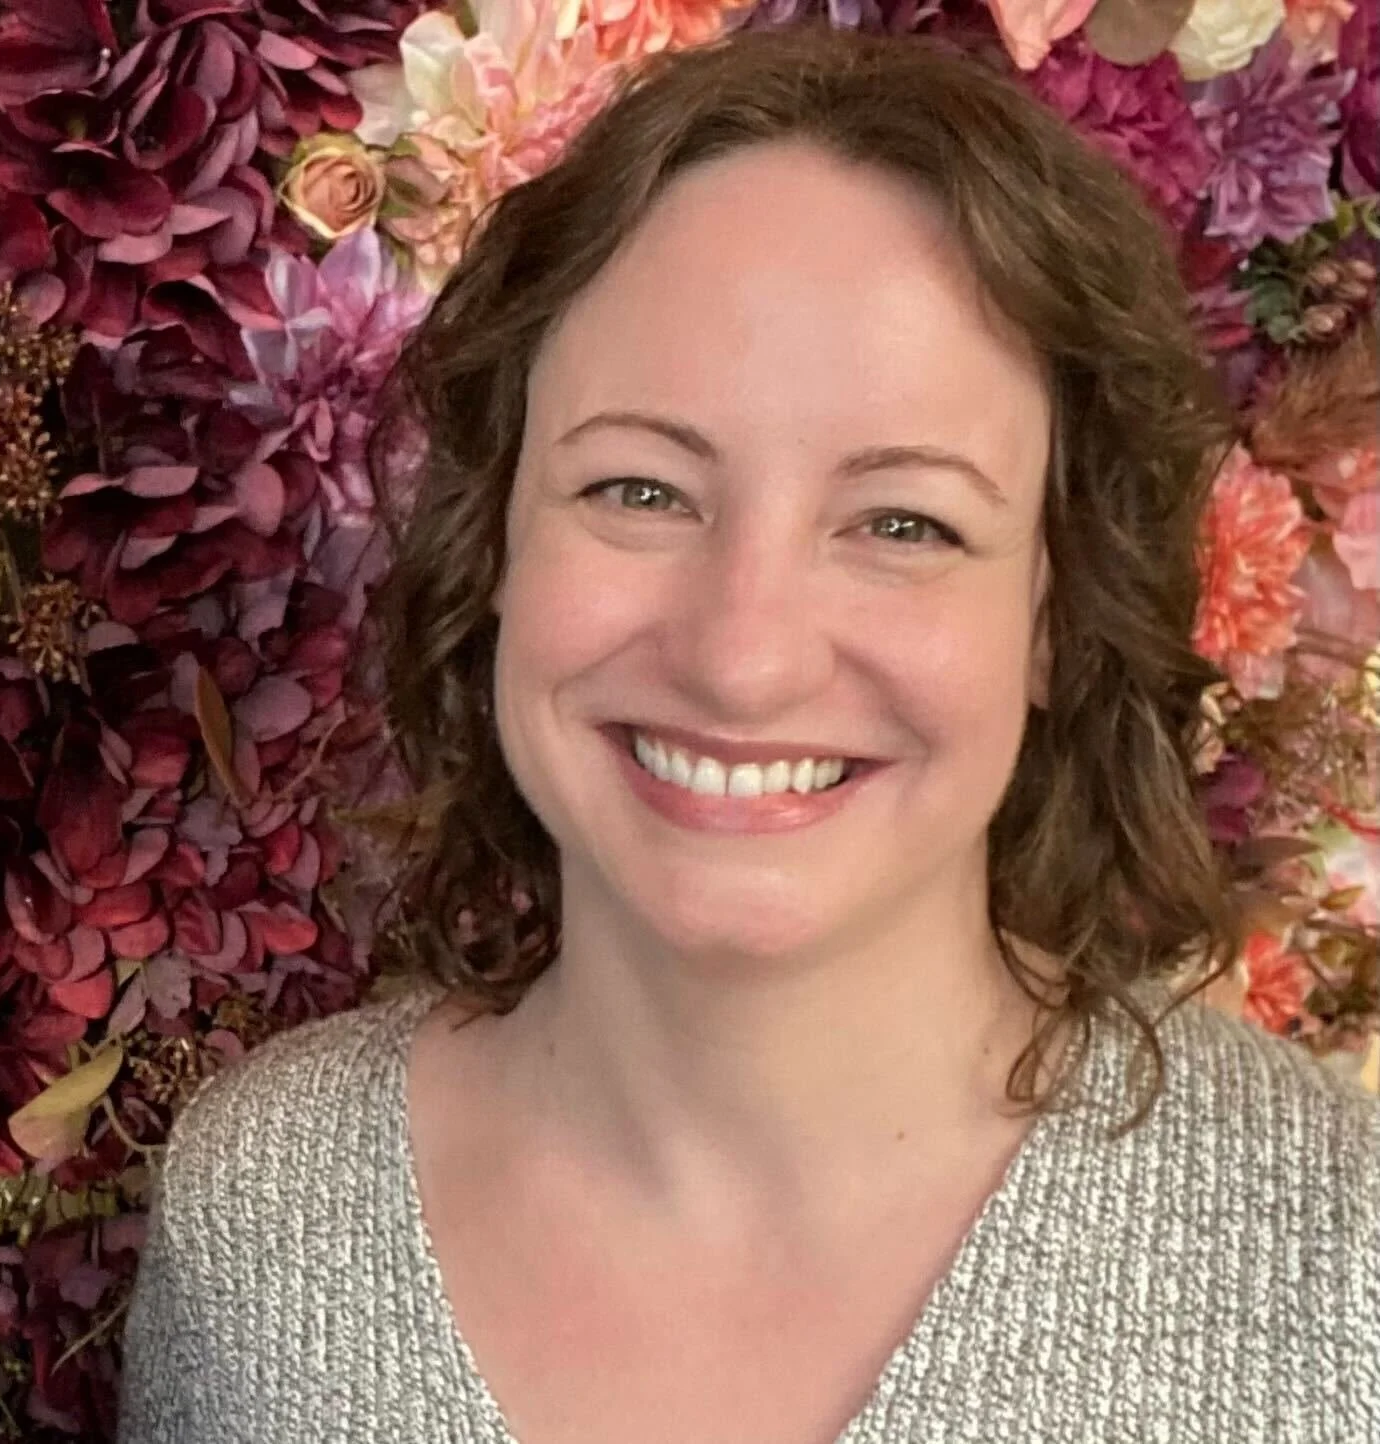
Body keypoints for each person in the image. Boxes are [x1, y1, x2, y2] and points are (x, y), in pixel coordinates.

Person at [116, 24, 1380, 1444]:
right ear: (496, 540)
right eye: (641, 492)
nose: (743, 657)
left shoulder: (1343, 1268)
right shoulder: (266, 1223)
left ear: (1055, 613)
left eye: (904, 523)